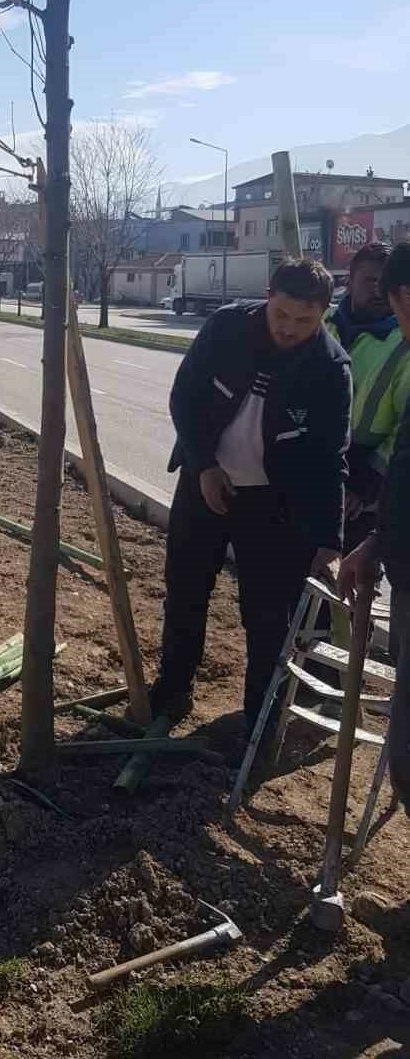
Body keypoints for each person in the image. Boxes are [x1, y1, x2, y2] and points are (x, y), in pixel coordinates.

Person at [152, 256, 352, 742]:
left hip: (273, 506)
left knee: (267, 614)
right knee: (185, 590)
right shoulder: (226, 329)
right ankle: (172, 690)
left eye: (304, 320)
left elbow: (331, 458)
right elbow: (184, 398)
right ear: (267, 297)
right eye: (281, 314)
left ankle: (259, 719)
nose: (289, 328)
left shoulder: (330, 370)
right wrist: (204, 465)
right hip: (204, 484)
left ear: (323, 314)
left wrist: (330, 539)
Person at [338, 241, 410, 813]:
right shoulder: (330, 323)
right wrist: (380, 541)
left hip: (365, 478)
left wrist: (368, 486)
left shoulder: (401, 349)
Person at [326, 242, 410, 547]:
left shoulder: (403, 343)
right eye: (369, 280)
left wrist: (369, 479)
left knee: (351, 568)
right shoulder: (320, 322)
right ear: (349, 280)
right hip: (308, 464)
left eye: (383, 282)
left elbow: (404, 426)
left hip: (362, 484)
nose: (377, 290)